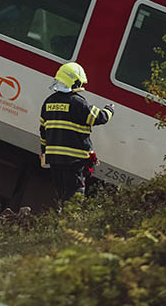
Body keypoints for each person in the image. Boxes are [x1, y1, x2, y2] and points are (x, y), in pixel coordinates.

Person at [38, 62, 115, 203]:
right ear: (75, 82)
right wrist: (109, 110)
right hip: (73, 161)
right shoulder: (77, 103)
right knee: (74, 197)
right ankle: (69, 223)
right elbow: (99, 118)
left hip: (55, 160)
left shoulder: (48, 103)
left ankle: (60, 220)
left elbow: (43, 132)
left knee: (62, 195)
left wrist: (44, 152)